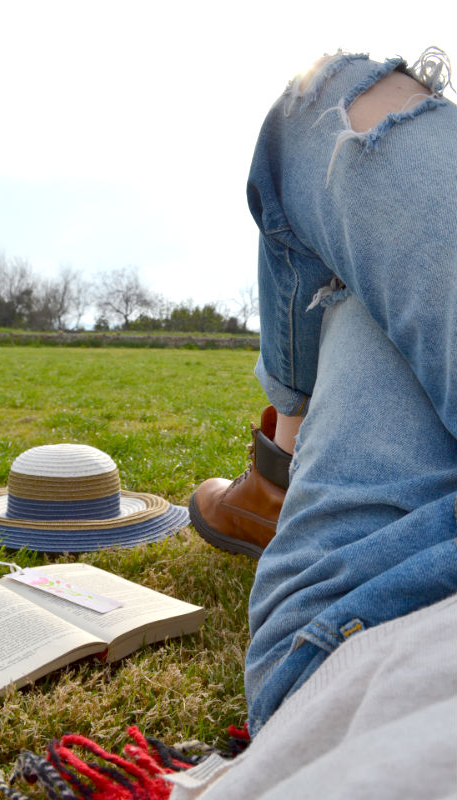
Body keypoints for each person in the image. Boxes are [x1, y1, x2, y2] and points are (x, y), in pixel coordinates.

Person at [189, 48, 457, 737]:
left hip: (374, 633)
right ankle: (278, 467)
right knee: (374, 271)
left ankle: (278, 466)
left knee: (319, 104)